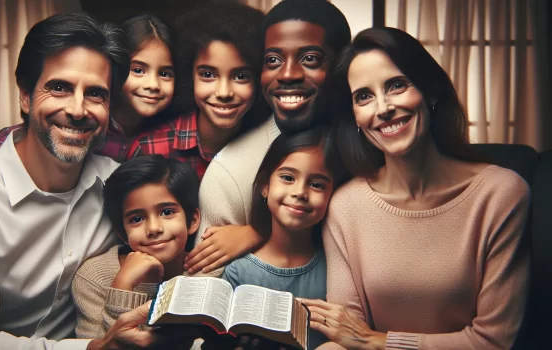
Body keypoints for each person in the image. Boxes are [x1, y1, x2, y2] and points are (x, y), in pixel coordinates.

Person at [0, 13, 183, 350]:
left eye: (96, 94)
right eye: (59, 87)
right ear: (25, 96)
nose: (77, 109)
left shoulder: (119, 186)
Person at [300, 27, 530, 350]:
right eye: (364, 96)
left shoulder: (501, 195)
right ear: (355, 116)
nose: (383, 109)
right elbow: (348, 336)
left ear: (430, 91)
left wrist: (377, 341)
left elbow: (492, 341)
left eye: (396, 85)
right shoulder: (345, 205)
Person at [185, 0, 351, 275]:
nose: (287, 75)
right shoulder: (231, 172)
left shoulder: (373, 148)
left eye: (309, 59)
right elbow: (201, 292)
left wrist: (259, 231)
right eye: (273, 60)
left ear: (341, 64)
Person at [0, 14, 177, 194]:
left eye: (166, 73)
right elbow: (16, 137)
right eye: (138, 70)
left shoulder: (167, 133)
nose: (152, 84)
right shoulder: (99, 124)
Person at [222, 128, 345, 349]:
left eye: (317, 184)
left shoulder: (336, 267)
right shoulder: (239, 273)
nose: (300, 192)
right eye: (288, 178)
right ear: (265, 187)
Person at [128, 1, 270, 180]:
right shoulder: (149, 147)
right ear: (190, 76)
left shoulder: (266, 145)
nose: (224, 92)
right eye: (208, 74)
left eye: (240, 77)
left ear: (258, 80)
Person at [71, 155, 199, 339]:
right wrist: (122, 286)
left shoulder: (203, 267)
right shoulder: (93, 277)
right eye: (137, 219)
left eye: (167, 212)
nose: (154, 228)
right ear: (122, 234)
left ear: (192, 221)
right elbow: (99, 346)